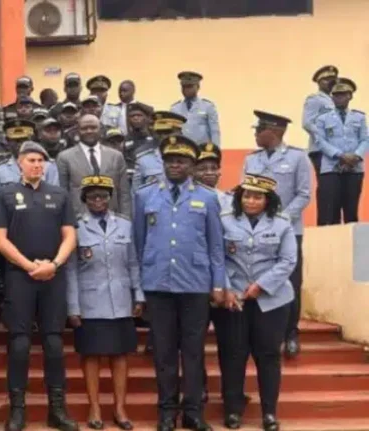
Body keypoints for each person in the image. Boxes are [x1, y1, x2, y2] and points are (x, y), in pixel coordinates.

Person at [133, 135, 224, 431]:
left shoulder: (208, 198)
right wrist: (138, 288)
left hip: (195, 285)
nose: (175, 164)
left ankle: (194, 411)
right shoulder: (146, 196)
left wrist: (218, 283)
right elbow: (138, 244)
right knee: (164, 351)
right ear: (163, 162)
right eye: (171, 159)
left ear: (192, 165)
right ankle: (166, 411)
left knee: (194, 351)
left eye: (182, 160)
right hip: (157, 284)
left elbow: (215, 246)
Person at [0, 141, 79, 431]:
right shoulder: (5, 194)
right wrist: (30, 267)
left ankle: (58, 408)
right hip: (19, 278)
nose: (37, 165)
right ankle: (17, 410)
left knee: (53, 344)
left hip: (53, 278)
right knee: (20, 344)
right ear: (19, 163)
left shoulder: (60, 195)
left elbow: (69, 236)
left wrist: (52, 265)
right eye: (31, 160)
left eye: (41, 160)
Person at [216, 174, 297, 431]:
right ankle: (233, 412)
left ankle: (269, 413)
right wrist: (228, 288)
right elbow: (217, 258)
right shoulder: (225, 221)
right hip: (234, 299)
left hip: (272, 300)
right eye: (247, 195)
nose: (251, 200)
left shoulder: (282, 223)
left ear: (268, 199)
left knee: (268, 355)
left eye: (257, 196)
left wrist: (260, 286)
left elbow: (288, 261)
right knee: (232, 355)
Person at [65, 175, 143, 430]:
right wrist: (73, 307)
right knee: (91, 356)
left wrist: (138, 295)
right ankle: (95, 407)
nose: (98, 201)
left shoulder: (125, 225)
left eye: (103, 196)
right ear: (84, 199)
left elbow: (133, 263)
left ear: (111, 198)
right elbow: (71, 271)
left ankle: (120, 408)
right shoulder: (75, 228)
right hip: (90, 302)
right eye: (92, 196)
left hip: (120, 300)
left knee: (120, 355)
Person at [241, 110, 312, 358]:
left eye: (260, 130)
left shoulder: (297, 157)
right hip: (256, 231)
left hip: (289, 230)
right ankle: (263, 334)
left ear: (275, 131)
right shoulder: (252, 160)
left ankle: (291, 333)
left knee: (290, 281)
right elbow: (244, 192)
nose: (256, 134)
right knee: (259, 278)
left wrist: (280, 218)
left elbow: (304, 194)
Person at [313, 77, 367, 226]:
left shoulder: (359, 117)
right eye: (336, 95)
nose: (339, 98)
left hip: (354, 169)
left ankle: (354, 248)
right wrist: (340, 155)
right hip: (331, 169)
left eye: (343, 94)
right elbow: (320, 141)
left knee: (351, 212)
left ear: (350, 96)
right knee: (330, 212)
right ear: (332, 97)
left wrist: (356, 156)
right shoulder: (322, 118)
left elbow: (365, 139)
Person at [56, 114, 132, 217]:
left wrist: (126, 220)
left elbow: (124, 193)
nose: (89, 131)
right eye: (84, 128)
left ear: (100, 129)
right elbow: (62, 193)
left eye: (93, 127)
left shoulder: (116, 156)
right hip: (79, 220)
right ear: (78, 130)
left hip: (113, 219)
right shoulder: (64, 157)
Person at [302, 65, 338, 175]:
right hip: (320, 150)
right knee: (326, 185)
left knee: (335, 186)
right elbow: (307, 123)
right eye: (327, 80)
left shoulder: (335, 100)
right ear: (319, 82)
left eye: (333, 80)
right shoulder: (315, 99)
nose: (331, 83)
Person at [170, 72, 221, 147]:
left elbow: (214, 132)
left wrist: (215, 152)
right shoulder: (175, 108)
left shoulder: (208, 106)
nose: (186, 90)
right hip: (182, 151)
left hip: (202, 151)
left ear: (198, 87)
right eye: (184, 87)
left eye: (190, 86)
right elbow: (172, 132)